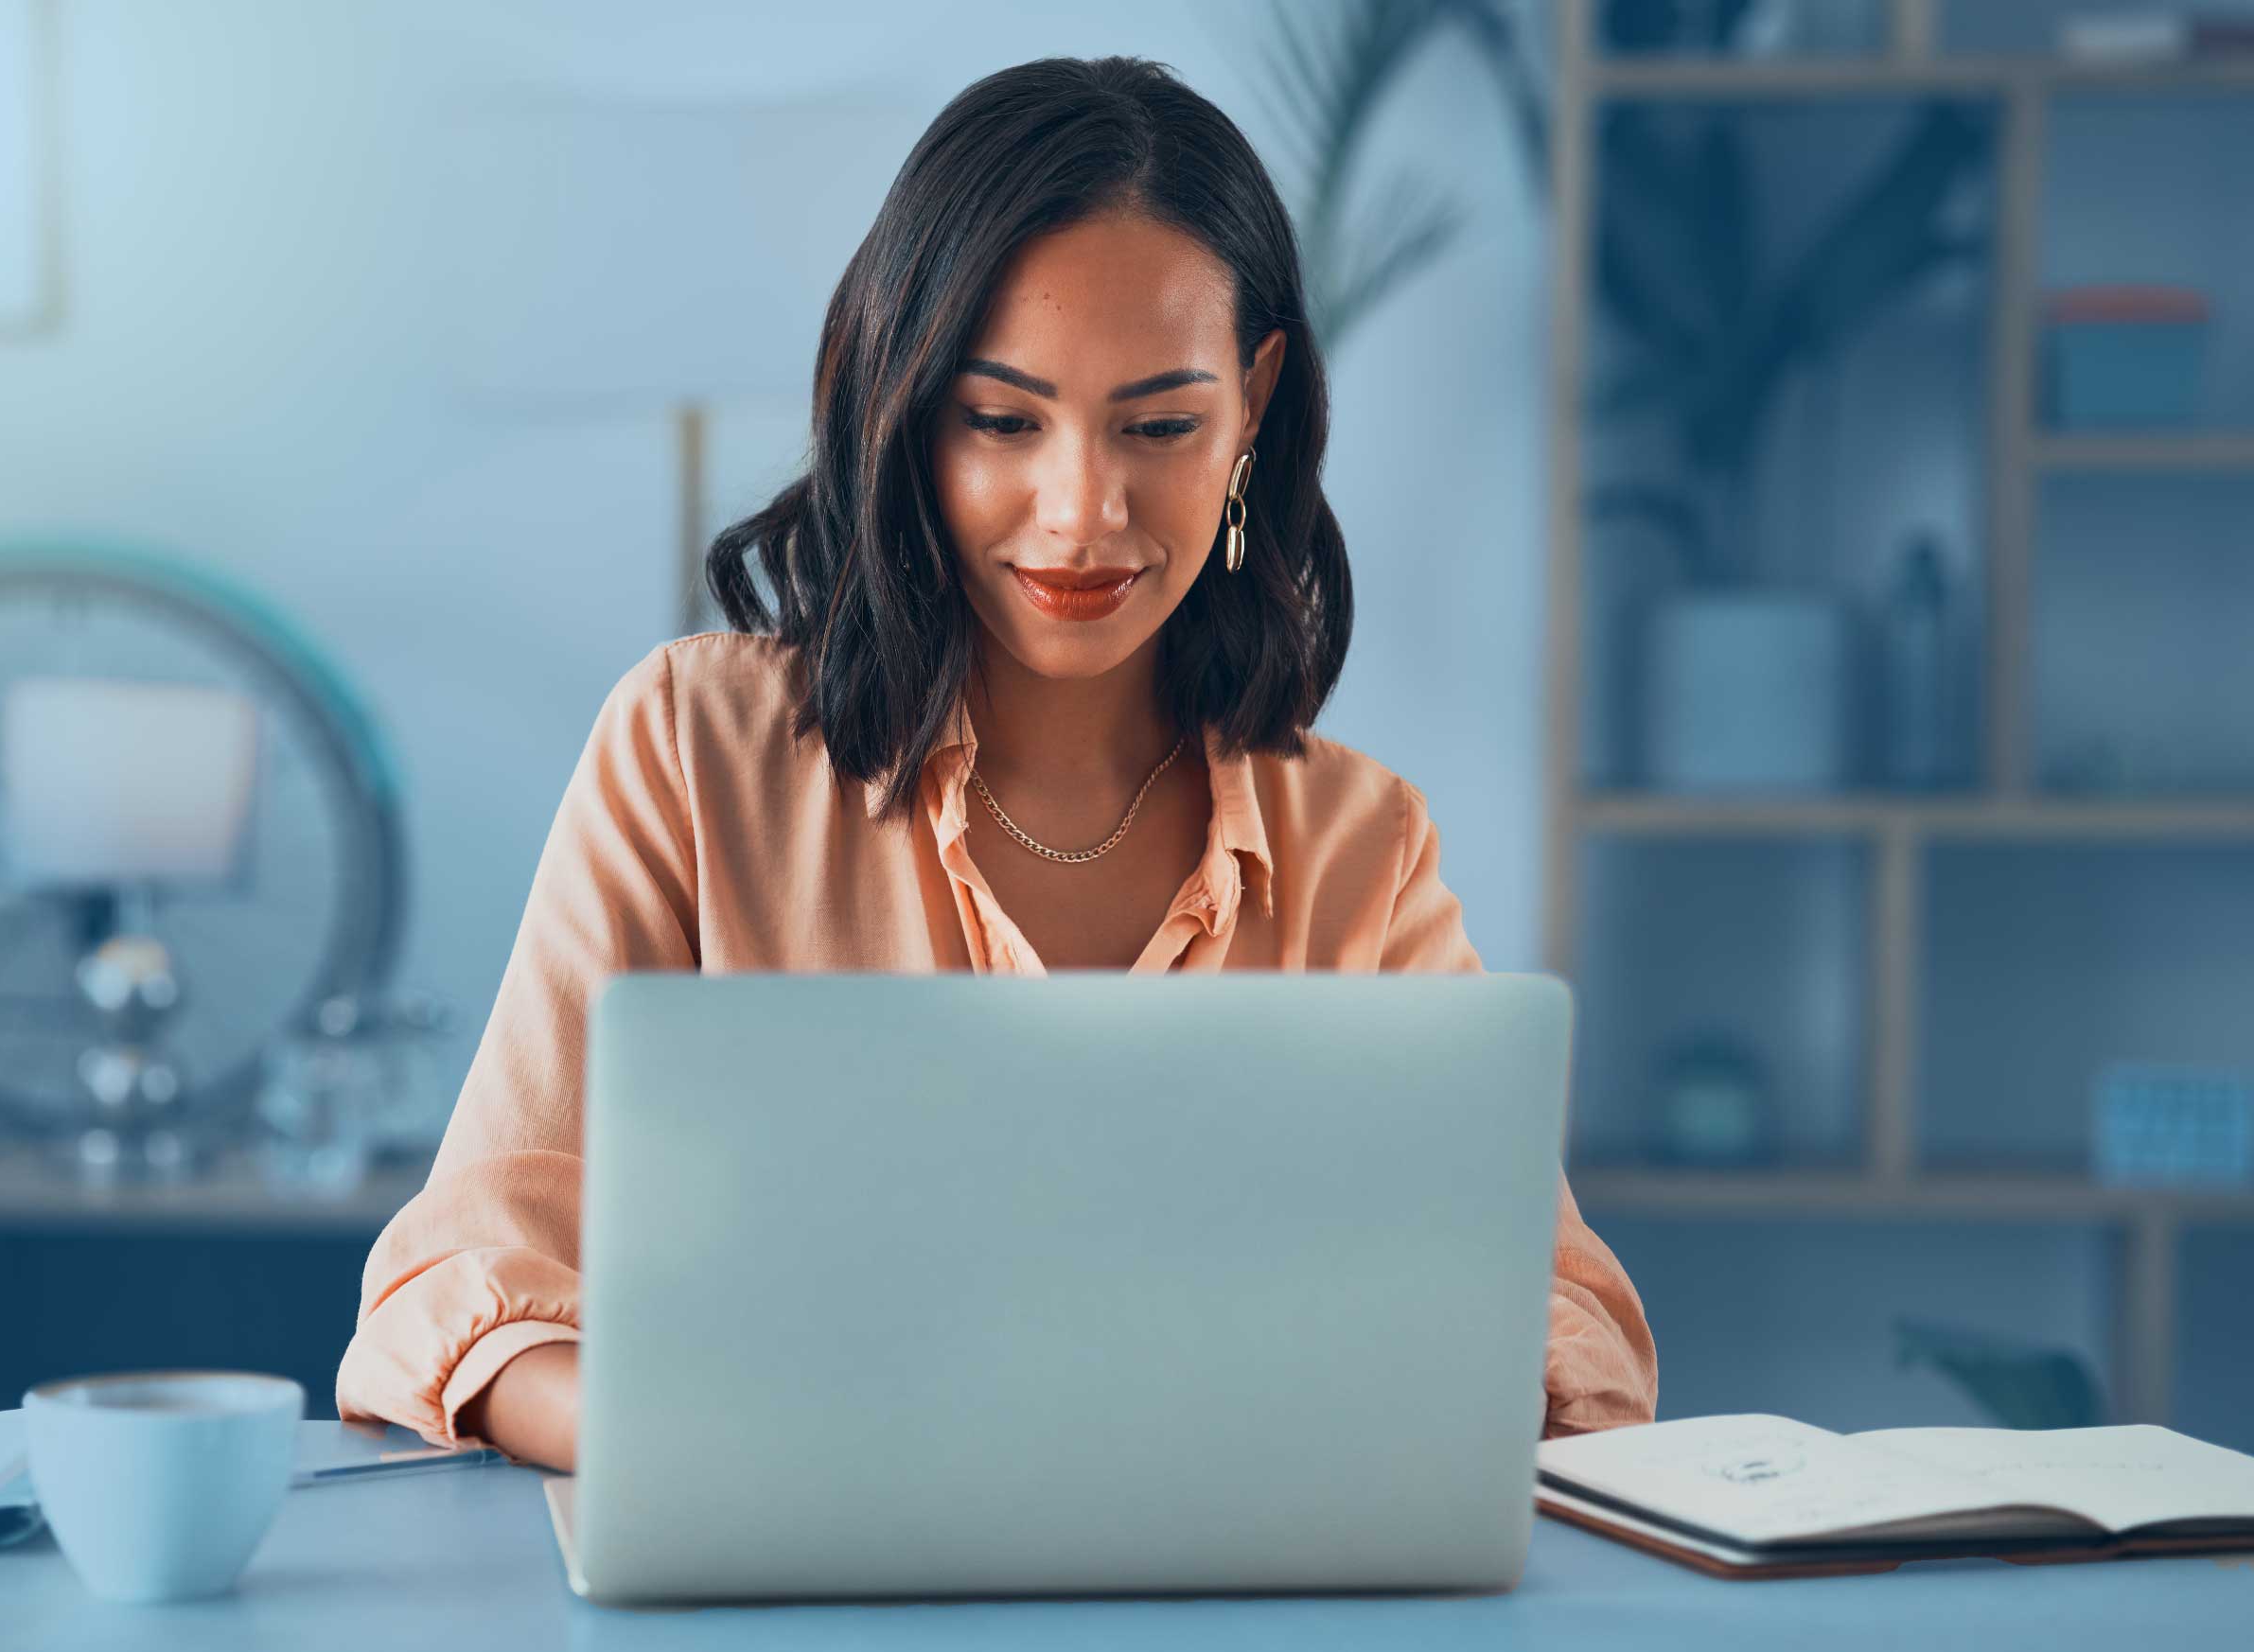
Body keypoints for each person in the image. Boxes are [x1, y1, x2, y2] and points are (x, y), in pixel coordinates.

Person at [335, 55, 1654, 1473]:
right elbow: (458, 1278)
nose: (1082, 512)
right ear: (906, 408)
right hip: (783, 1560)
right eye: (1001, 420)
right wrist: (698, 1448)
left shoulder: (1358, 846)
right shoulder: (689, 753)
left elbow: (1561, 1315)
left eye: (1160, 426)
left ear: (1255, 405)